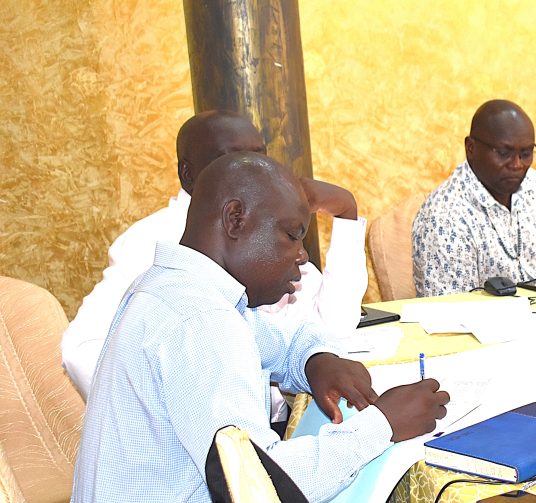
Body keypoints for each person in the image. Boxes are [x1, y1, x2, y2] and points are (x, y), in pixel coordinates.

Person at [66, 151, 449, 503]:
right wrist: (383, 424)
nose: (301, 255)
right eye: (291, 235)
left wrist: (315, 359)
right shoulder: (199, 321)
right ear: (235, 219)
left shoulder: (178, 289)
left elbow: (281, 340)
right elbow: (262, 488)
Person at [62, 111, 369, 417]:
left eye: (258, 156)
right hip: (224, 435)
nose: (249, 169)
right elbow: (80, 349)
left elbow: (333, 327)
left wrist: (346, 213)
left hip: (270, 423)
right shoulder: (152, 242)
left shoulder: (265, 228)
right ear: (188, 174)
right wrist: (167, 418)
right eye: (231, 158)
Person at [412, 99, 536, 296]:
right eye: (504, 153)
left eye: (526, 153)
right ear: (471, 148)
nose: (517, 165)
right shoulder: (444, 218)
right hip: (490, 315)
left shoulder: (535, 185)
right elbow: (451, 309)